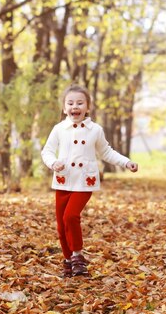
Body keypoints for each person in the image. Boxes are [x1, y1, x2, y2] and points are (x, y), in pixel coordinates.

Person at [42, 84, 138, 277]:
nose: (74, 107)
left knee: (71, 216)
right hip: (63, 180)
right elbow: (47, 151)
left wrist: (126, 162)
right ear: (64, 108)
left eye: (79, 103)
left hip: (84, 181)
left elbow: (106, 152)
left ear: (88, 107)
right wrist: (53, 163)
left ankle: (78, 256)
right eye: (70, 103)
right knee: (61, 225)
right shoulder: (60, 129)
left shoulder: (95, 130)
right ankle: (68, 261)